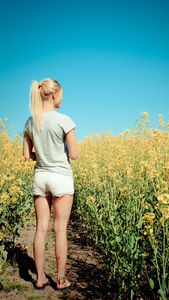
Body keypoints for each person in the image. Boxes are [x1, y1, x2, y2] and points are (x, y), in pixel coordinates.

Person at [22, 78, 78, 291]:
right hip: (61, 178)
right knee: (60, 229)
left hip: (41, 178)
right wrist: (57, 153)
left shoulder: (30, 121)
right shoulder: (64, 120)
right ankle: (61, 280)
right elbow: (73, 154)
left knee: (41, 229)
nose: (62, 98)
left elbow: (27, 155)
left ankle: (40, 278)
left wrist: (43, 155)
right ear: (54, 95)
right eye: (61, 94)